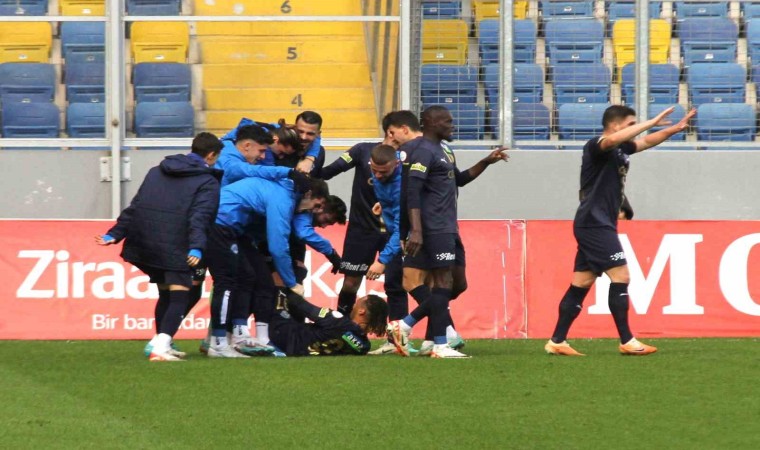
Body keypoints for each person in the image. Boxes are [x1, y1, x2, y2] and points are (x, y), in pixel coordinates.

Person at [544, 104, 695, 356]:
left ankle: (557, 341)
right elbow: (613, 140)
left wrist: (674, 129)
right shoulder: (596, 145)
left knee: (581, 283)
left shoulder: (621, 149)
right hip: (594, 223)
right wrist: (651, 121)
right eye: (630, 124)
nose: (635, 129)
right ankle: (627, 340)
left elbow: (645, 142)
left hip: (598, 223)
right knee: (621, 276)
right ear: (614, 125)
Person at [386, 107, 508, 358]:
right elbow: (412, 192)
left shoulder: (443, 151)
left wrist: (486, 161)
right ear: (431, 123)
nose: (452, 126)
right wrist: (415, 230)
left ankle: (412, 328)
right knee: (442, 282)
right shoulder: (423, 151)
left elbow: (459, 180)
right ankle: (439, 343)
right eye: (447, 121)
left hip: (447, 226)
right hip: (433, 227)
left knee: (456, 284)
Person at [95, 132, 224, 361]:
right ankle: (161, 346)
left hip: (147, 240)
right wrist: (196, 246)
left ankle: (159, 342)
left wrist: (115, 233)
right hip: (176, 242)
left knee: (165, 293)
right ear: (212, 155)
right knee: (180, 294)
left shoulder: (156, 171)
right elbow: (200, 216)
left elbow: (137, 205)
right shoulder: (207, 181)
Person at [204, 173, 329, 357]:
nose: (313, 211)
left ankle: (242, 336)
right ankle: (218, 342)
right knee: (227, 283)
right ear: (308, 194)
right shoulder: (283, 199)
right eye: (317, 206)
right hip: (219, 223)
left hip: (234, 229)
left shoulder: (287, 198)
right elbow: (278, 247)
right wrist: (291, 283)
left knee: (253, 278)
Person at [315, 114, 407, 324]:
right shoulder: (361, 151)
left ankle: (396, 335)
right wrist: (313, 153)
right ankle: (341, 328)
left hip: (393, 232)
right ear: (391, 132)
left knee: (396, 285)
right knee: (350, 283)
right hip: (362, 230)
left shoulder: (408, 158)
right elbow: (328, 172)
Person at [269, 292, 388, 356]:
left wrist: (289, 289)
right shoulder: (363, 347)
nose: (354, 304)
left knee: (275, 292)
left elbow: (302, 306)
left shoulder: (337, 320)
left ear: (362, 311)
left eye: (359, 301)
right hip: (303, 351)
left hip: (283, 336)